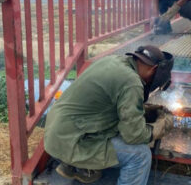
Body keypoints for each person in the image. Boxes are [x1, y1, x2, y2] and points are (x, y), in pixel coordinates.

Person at [44, 45, 174, 184]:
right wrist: (162, 125)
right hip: (71, 141)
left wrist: (144, 110)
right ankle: (77, 163)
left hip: (56, 132)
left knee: (118, 128)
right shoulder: (132, 83)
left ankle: (79, 166)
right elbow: (134, 135)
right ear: (154, 69)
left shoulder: (113, 61)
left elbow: (110, 104)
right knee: (140, 155)